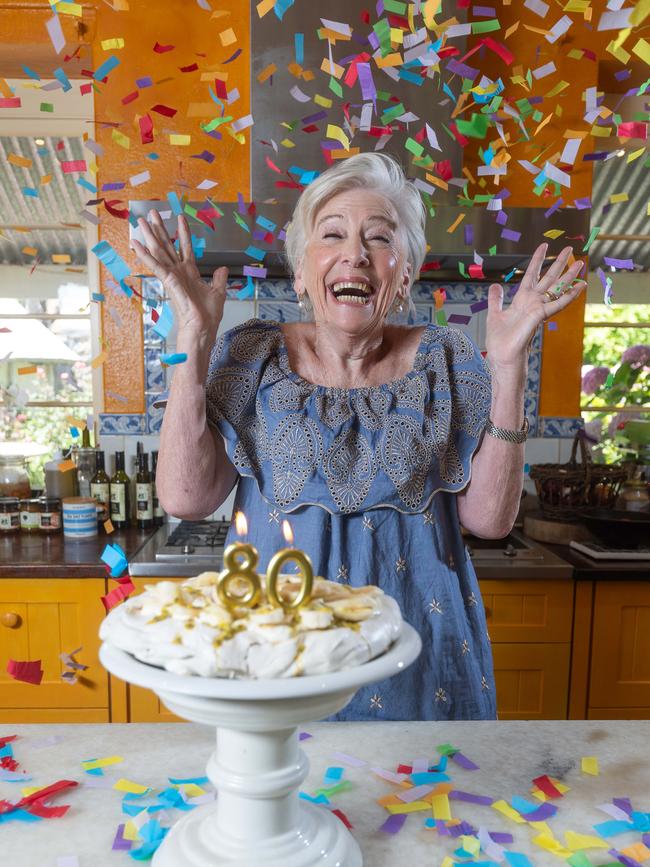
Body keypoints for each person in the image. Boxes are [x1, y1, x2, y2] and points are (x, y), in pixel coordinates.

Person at [132, 153, 585, 721]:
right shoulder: (252, 354)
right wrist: (193, 339)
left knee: (426, 807)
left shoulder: (447, 359)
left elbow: (490, 521)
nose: (355, 254)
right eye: (332, 235)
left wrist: (510, 368)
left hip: (420, 659)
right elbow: (185, 498)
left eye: (379, 238)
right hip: (279, 661)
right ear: (300, 271)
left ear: (404, 275)